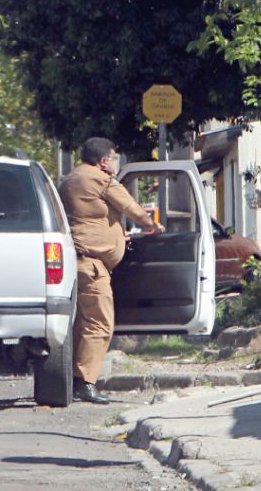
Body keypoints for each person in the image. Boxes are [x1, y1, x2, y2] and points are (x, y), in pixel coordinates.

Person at [58, 137, 164, 404]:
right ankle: (86, 382)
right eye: (115, 158)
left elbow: (91, 219)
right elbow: (129, 206)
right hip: (92, 266)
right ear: (104, 160)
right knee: (100, 323)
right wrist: (152, 224)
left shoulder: (70, 179)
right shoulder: (100, 178)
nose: (116, 163)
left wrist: (117, 236)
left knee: (81, 325)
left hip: (76, 262)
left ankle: (74, 380)